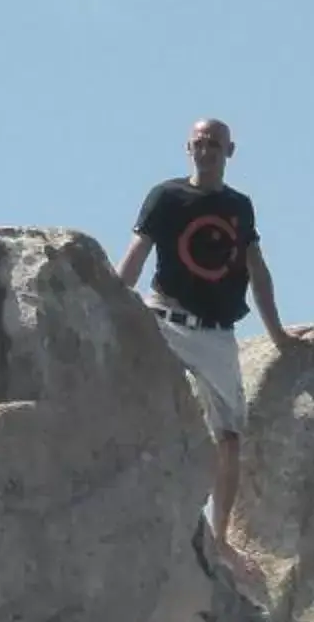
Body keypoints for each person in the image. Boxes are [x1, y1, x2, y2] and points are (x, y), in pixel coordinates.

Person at [116, 118, 298, 555]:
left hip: (215, 333)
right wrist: (112, 302)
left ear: (229, 151)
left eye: (214, 144)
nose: (206, 150)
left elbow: (257, 270)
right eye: (199, 143)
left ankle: (219, 540)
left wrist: (279, 336)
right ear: (187, 149)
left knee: (229, 436)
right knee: (141, 414)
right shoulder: (166, 196)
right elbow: (136, 256)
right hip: (163, 321)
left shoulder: (239, 207)